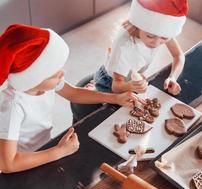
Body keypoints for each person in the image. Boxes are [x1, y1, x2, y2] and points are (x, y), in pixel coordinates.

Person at [0, 24, 143, 173]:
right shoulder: (13, 107)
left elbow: (74, 93)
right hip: (23, 165)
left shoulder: (42, 84)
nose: (63, 73)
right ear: (34, 78)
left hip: (43, 148)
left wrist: (115, 98)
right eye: (54, 74)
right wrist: (59, 151)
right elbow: (8, 164)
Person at [73, 0, 188, 120]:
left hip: (130, 76)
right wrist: (132, 86)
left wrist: (173, 78)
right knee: (113, 117)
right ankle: (95, 87)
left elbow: (178, 56)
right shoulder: (125, 45)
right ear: (139, 26)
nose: (156, 42)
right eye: (150, 36)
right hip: (109, 82)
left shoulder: (161, 30)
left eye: (164, 38)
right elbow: (116, 86)